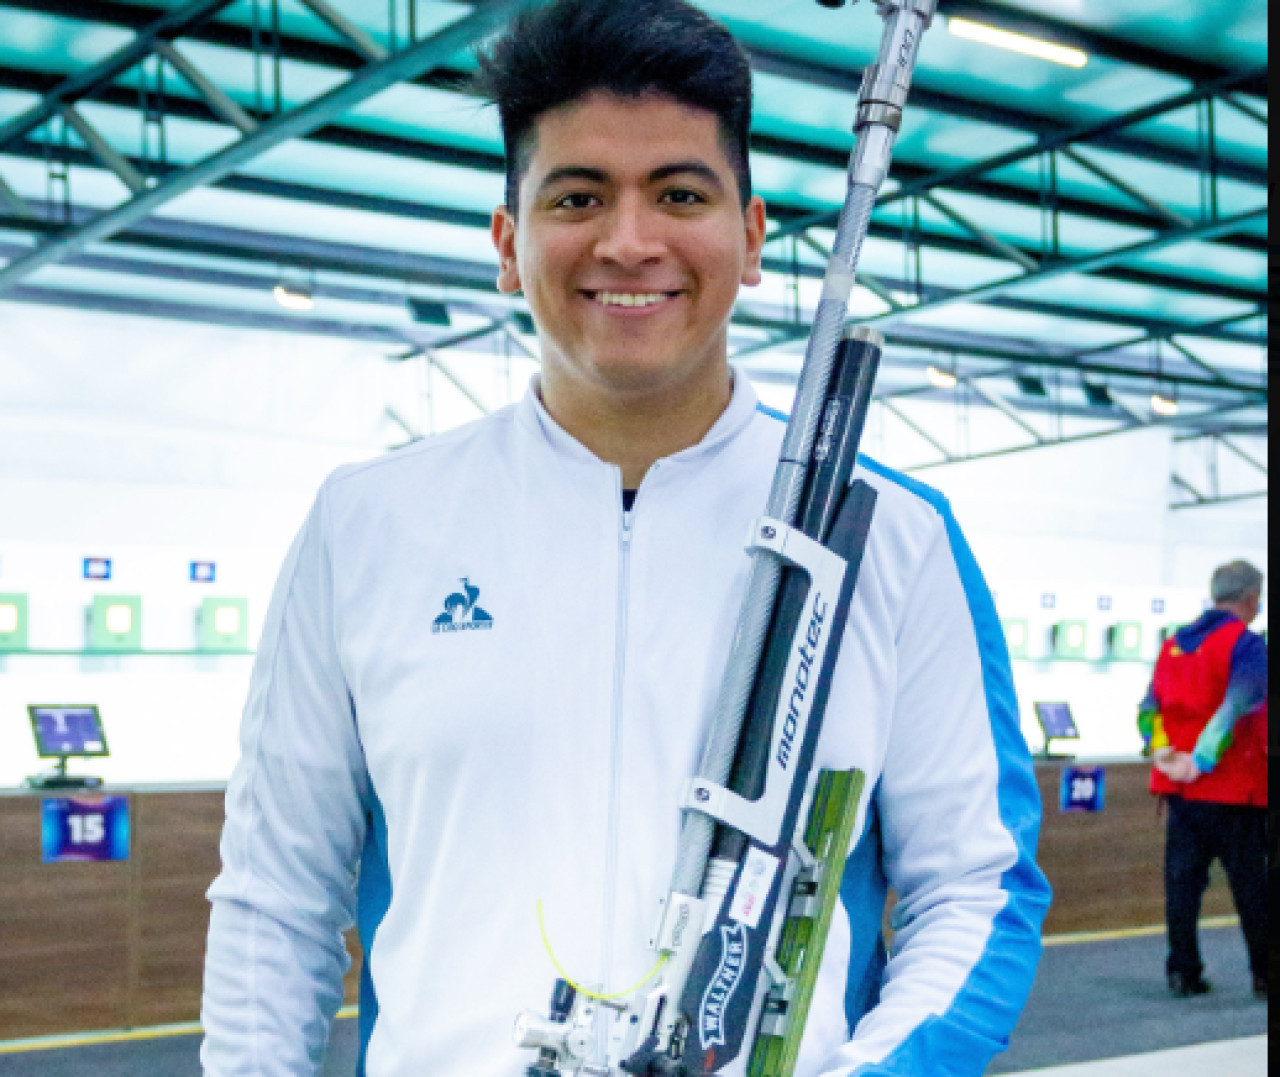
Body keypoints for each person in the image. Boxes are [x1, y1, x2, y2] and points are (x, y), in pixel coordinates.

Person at [200, 2, 1049, 1074]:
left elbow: (973, 885)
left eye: (679, 193)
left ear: (750, 239)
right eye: (577, 196)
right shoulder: (366, 524)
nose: (629, 241)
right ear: (509, 245)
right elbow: (276, 897)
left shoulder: (891, 536)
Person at [1138, 559, 1269, 999]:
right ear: (1251, 599)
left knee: (1182, 885)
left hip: (1179, 790)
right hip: (1234, 790)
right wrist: (1201, 760)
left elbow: (1147, 710)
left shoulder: (1174, 643)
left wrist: (1162, 752)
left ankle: (1183, 972)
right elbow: (1237, 706)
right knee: (1253, 888)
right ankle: (1265, 976)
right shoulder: (1247, 646)